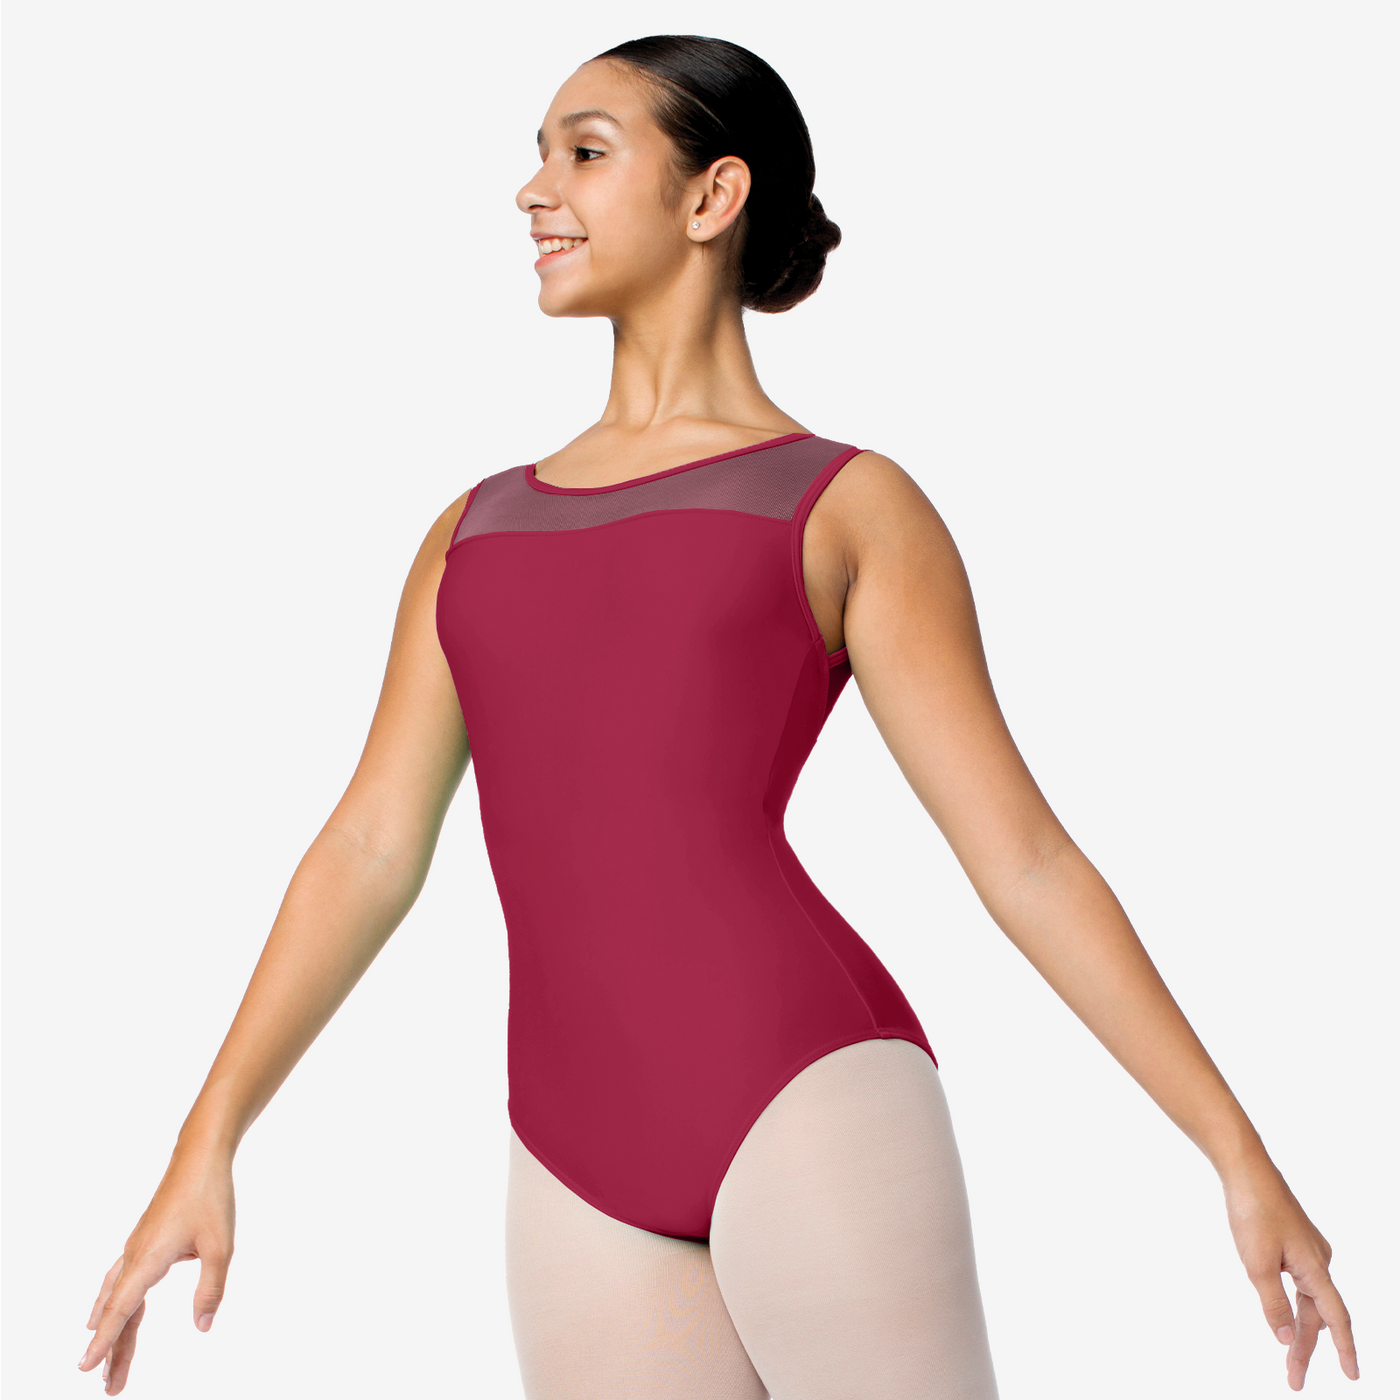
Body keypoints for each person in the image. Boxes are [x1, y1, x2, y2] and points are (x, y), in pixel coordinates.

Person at [78, 34, 1359, 1399]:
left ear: (712, 196)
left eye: (584, 152)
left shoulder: (845, 505)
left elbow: (1024, 858)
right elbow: (369, 848)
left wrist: (1233, 1150)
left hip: (805, 1098)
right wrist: (208, 1140)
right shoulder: (472, 532)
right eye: (536, 156)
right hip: (571, 1148)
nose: (533, 191)